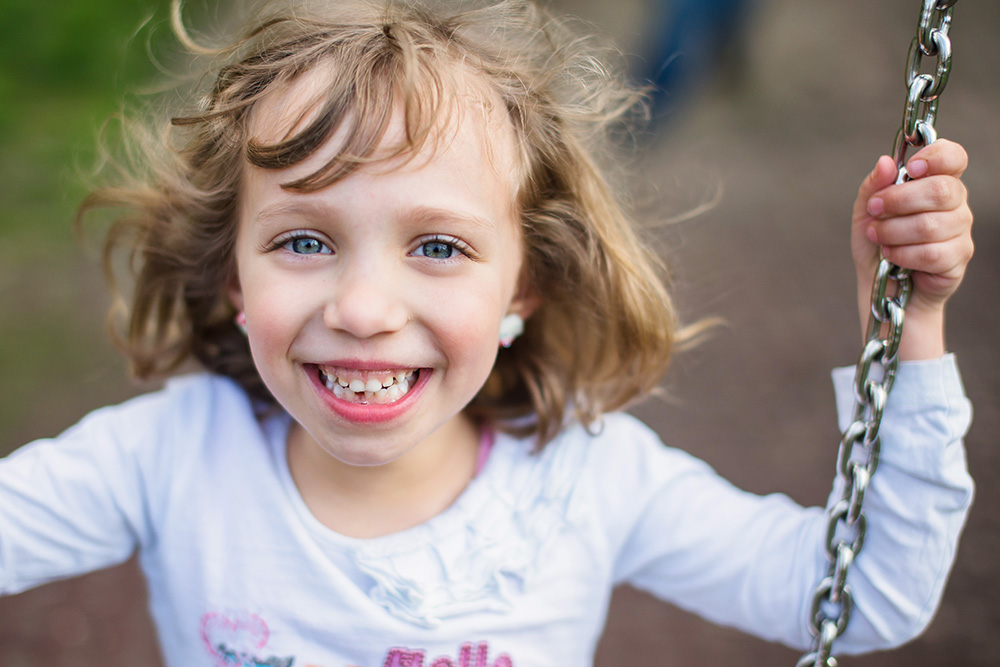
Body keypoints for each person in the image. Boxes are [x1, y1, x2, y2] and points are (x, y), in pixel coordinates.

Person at [0, 1, 975, 666]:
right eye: (303, 239)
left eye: (435, 245)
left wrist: (910, 322)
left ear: (530, 282)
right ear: (233, 275)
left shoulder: (586, 479)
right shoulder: (169, 456)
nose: (364, 308)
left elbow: (863, 596)